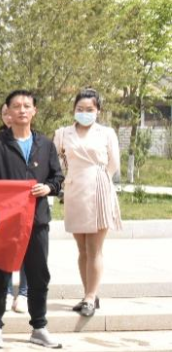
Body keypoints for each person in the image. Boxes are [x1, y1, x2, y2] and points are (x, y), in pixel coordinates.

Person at [0, 90, 64, 349]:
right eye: (16, 106)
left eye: (27, 106)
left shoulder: (45, 144)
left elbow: (57, 177)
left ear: (34, 111)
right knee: (1, 274)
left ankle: (39, 327)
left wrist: (48, 188)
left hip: (37, 221)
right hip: (7, 222)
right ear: (7, 111)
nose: (22, 110)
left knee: (39, 274)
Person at [54, 88, 121, 318]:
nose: (84, 112)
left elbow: (114, 164)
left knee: (94, 248)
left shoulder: (106, 133)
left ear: (98, 110)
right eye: (80, 108)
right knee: (82, 248)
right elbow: (57, 161)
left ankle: (90, 297)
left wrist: (101, 181)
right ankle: (88, 294)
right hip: (74, 191)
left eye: (89, 109)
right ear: (74, 109)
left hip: (98, 189)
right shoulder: (63, 133)